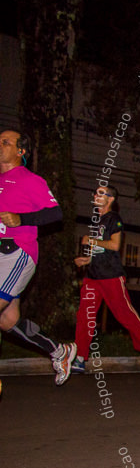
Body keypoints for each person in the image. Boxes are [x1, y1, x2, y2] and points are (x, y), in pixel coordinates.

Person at [0, 129, 77, 385]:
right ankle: (60, 350)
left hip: (18, 253)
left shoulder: (29, 180)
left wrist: (23, 219)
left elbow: (55, 214)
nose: (0, 145)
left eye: (5, 142)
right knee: (8, 321)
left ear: (20, 151)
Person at [71, 185, 140, 373]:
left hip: (111, 276)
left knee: (123, 314)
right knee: (85, 316)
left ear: (110, 199)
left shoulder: (114, 219)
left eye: (101, 193)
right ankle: (79, 357)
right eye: (95, 192)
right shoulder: (97, 222)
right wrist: (86, 259)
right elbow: (101, 250)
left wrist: (91, 240)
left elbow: (115, 245)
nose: (96, 195)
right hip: (93, 276)